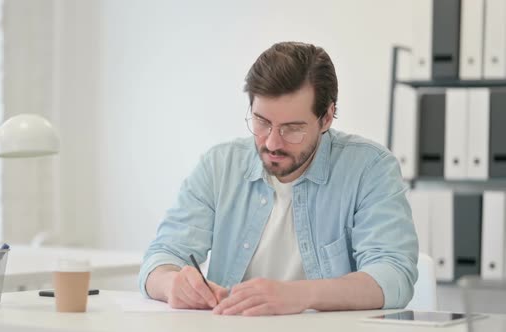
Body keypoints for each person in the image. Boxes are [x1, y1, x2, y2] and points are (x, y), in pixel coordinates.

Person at [138, 41, 418, 316]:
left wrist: (301, 294)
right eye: (262, 122)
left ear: (327, 117)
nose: (272, 142)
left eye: (292, 129)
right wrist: (173, 284)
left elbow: (393, 276)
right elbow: (161, 257)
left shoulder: (370, 169)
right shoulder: (220, 165)